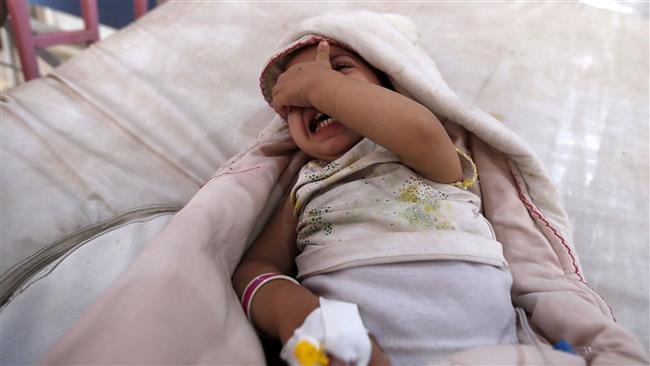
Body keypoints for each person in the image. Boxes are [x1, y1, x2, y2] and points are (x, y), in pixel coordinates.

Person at [232, 39, 517, 365]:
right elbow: (254, 269)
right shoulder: (306, 186)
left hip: (480, 343)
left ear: (390, 88)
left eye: (339, 68)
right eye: (295, 95)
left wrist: (321, 87)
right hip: (351, 344)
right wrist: (292, 311)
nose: (311, 92)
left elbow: (419, 129)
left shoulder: (418, 150)